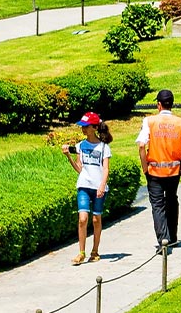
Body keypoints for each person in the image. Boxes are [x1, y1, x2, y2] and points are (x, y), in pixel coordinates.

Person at [136, 89, 181, 252]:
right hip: (174, 172)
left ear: (158, 104)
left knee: (158, 206)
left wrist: (144, 167)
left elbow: (141, 145)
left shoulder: (149, 121)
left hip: (154, 172)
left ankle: (163, 240)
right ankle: (173, 237)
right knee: (171, 201)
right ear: (172, 104)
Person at [62, 112, 113, 265]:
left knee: (96, 219)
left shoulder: (104, 147)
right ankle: (81, 252)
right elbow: (79, 168)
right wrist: (68, 157)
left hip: (98, 188)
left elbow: (105, 169)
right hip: (84, 185)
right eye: (82, 127)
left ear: (94, 127)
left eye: (86, 126)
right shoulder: (80, 146)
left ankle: (95, 251)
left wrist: (102, 185)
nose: (83, 129)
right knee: (83, 219)